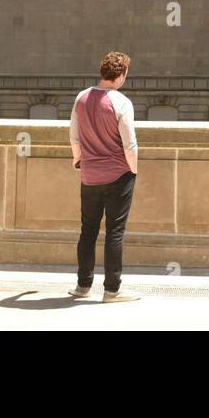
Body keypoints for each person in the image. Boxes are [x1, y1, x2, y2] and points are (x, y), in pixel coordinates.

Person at [68, 51, 140, 303]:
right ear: (120, 76)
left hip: (89, 175)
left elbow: (74, 136)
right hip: (117, 175)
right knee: (114, 232)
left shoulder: (81, 98)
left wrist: (79, 160)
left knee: (87, 231)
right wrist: (133, 170)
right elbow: (130, 145)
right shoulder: (121, 103)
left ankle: (82, 286)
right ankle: (112, 290)